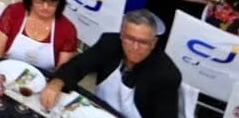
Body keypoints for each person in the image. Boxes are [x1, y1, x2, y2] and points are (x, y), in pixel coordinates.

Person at [39, 10, 180, 118]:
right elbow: (78, 66)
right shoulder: (109, 43)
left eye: (143, 42)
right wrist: (57, 82)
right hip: (97, 110)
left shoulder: (166, 74)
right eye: (130, 39)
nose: (135, 47)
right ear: (121, 35)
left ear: (154, 43)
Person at [0, 0, 79, 70]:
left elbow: (62, 75)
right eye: (40, 0)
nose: (45, 7)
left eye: (52, 2)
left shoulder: (68, 30)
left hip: (45, 82)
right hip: (6, 72)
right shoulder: (13, 12)